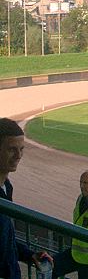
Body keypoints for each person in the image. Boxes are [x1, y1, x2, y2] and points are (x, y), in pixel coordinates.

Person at [0, 117, 53, 279]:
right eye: (11, 149)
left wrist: (28, 255)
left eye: (21, 149)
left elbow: (5, 238)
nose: (18, 155)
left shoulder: (7, 186)